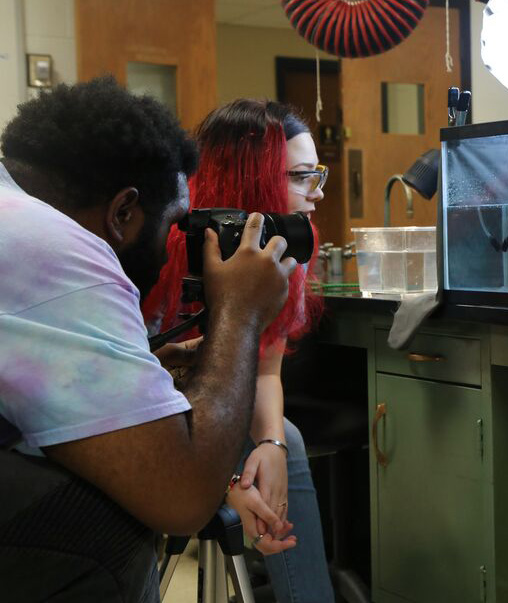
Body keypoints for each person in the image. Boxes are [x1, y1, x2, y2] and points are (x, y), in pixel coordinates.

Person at [0, 78, 297, 600]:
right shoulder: (59, 248)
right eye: (174, 224)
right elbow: (182, 498)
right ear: (123, 213)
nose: (171, 248)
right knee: (103, 515)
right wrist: (239, 316)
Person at [142, 99, 335, 602]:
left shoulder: (281, 247)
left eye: (317, 176)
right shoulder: (159, 250)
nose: (314, 196)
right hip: (145, 414)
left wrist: (270, 447)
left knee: (285, 437)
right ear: (253, 182)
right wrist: (225, 477)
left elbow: (265, 370)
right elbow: (141, 386)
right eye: (299, 178)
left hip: (215, 407)